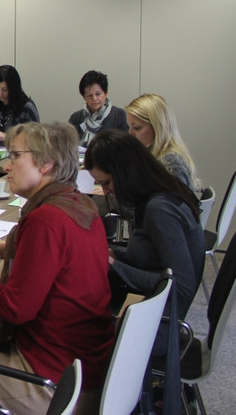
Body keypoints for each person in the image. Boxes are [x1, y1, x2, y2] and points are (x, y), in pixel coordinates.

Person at [0, 122, 113, 414]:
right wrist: (9, 247)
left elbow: (16, 307)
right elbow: (60, 260)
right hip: (86, 367)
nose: (7, 166)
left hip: (53, 380)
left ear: (47, 163)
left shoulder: (45, 220)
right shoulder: (80, 204)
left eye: (16, 156)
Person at [84, 129, 205, 356]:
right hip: (153, 311)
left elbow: (180, 286)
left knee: (68, 328)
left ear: (126, 172)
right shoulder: (156, 193)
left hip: (158, 326)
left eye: (107, 183)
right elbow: (152, 256)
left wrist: (115, 265)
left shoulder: (160, 209)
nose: (106, 191)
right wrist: (116, 254)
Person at [125, 93, 201, 195]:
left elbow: (170, 203)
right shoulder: (153, 157)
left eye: (137, 128)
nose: (130, 133)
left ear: (158, 127)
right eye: (130, 127)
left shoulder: (171, 162)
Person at [67, 69, 128, 146]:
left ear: (106, 93)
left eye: (98, 94)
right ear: (84, 97)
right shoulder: (76, 118)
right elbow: (68, 145)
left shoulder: (119, 115)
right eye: (89, 95)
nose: (94, 98)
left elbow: (126, 144)